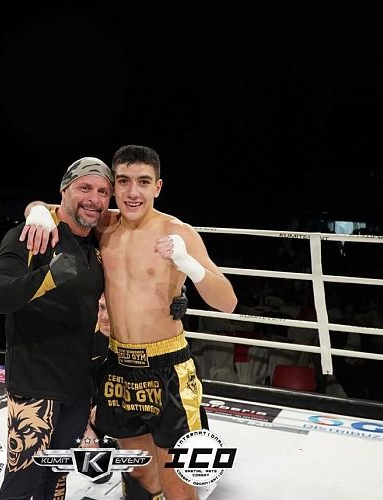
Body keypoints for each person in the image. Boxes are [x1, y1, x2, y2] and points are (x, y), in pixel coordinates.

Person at [23, 145, 237, 500]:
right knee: (138, 472)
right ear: (114, 185)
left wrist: (189, 265)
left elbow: (228, 302)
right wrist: (37, 213)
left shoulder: (177, 231)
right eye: (123, 181)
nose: (133, 192)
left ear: (158, 187)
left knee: (177, 480)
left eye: (143, 182)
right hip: (120, 366)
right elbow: (50, 206)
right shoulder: (104, 224)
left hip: (168, 367)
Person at [0, 157, 114, 500]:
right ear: (64, 189)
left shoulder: (98, 244)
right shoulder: (32, 236)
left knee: (55, 481)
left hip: (78, 387)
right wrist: (47, 277)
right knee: (22, 483)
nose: (94, 199)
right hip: (35, 384)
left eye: (103, 192)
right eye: (85, 188)